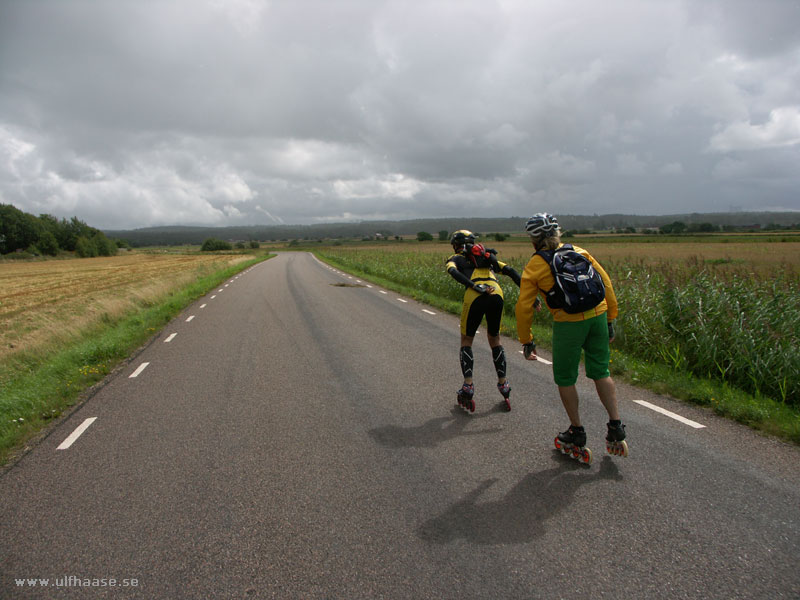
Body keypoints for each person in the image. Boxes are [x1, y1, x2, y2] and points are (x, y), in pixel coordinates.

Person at [515, 213, 627, 461]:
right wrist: (611, 317)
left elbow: (524, 307)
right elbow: (605, 283)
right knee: (601, 371)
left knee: (565, 377)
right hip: (598, 315)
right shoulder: (578, 250)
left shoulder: (535, 265)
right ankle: (616, 426)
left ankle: (577, 431)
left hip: (569, 323)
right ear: (557, 233)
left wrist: (527, 339)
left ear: (534, 239)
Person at [446, 230, 521, 412]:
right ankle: (503, 383)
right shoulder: (486, 256)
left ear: (456, 245)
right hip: (497, 293)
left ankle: (468, 385)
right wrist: (528, 293)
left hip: (476, 295)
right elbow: (510, 271)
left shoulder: (456, 258)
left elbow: (452, 272)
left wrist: (473, 286)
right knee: (495, 339)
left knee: (466, 341)